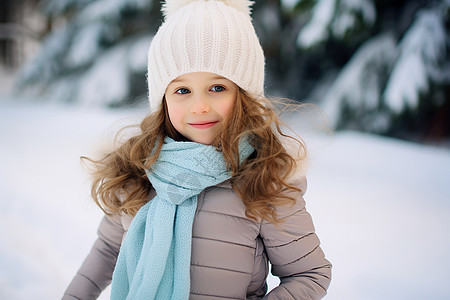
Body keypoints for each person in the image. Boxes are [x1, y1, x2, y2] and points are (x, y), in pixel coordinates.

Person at [62, 0, 332, 299]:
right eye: (182, 90)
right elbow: (108, 251)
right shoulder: (137, 169)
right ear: (163, 99)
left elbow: (309, 274)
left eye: (217, 88)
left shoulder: (265, 177)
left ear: (245, 95)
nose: (200, 106)